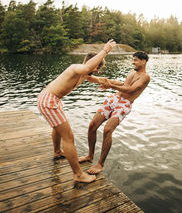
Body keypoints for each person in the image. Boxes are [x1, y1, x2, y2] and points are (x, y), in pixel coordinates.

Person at [37, 39, 116, 183]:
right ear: (91, 62)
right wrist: (105, 50)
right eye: (97, 66)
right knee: (69, 137)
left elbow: (101, 79)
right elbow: (87, 68)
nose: (97, 70)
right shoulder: (76, 68)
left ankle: (57, 151)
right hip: (49, 101)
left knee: (58, 128)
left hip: (50, 100)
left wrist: (120, 85)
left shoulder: (85, 75)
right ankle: (78, 174)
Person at [79, 51, 150, 175]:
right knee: (92, 126)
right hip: (114, 99)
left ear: (143, 61)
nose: (133, 62)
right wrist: (110, 82)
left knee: (107, 130)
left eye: (136, 60)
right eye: (133, 59)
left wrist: (111, 85)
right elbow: (124, 84)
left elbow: (131, 89)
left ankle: (100, 164)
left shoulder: (145, 77)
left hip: (124, 104)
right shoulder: (132, 72)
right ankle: (90, 156)